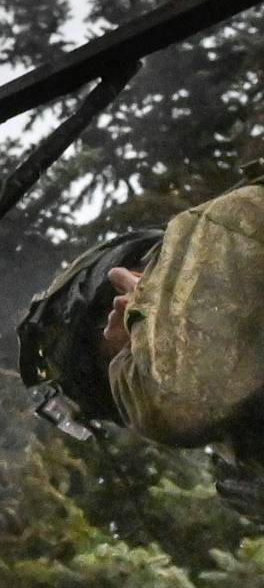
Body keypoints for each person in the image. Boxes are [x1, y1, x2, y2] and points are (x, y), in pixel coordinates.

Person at [20, 175, 264, 463]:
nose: (126, 326)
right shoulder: (243, 449)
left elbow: (179, 397)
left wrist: (149, 309)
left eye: (126, 320)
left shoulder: (227, 227)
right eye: (128, 349)